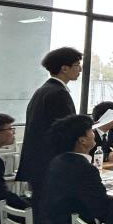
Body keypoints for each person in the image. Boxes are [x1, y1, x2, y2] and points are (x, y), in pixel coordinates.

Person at [35, 114, 110, 224]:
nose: (94, 134)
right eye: (90, 131)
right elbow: (102, 208)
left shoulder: (58, 161)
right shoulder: (83, 168)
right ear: (82, 140)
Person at [15, 46, 81, 206]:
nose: (80, 69)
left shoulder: (43, 90)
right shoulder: (58, 93)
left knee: (41, 208)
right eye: (77, 65)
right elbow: (66, 130)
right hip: (51, 164)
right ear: (64, 68)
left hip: (38, 163)